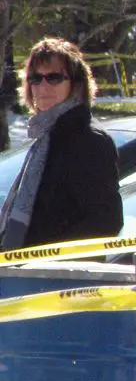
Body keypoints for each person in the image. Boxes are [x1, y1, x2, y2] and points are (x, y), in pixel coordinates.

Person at [0, 38, 123, 249]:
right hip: (26, 274)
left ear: (76, 84)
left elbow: (106, 221)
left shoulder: (89, 140)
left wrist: (48, 257)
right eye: (35, 79)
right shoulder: (45, 139)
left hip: (61, 276)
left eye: (54, 77)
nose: (43, 86)